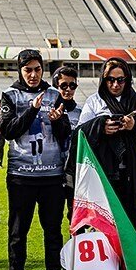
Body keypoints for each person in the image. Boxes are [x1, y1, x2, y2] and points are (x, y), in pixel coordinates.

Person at [0, 49, 71, 270]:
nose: (33, 74)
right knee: (19, 229)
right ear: (20, 70)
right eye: (28, 69)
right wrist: (31, 110)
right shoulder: (10, 94)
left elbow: (65, 133)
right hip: (21, 174)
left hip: (51, 174)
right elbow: (8, 131)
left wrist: (58, 121)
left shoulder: (54, 94)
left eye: (37, 69)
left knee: (52, 228)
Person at [75, 57, 136, 230]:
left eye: (120, 80)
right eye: (110, 79)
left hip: (131, 172)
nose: (115, 84)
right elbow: (80, 132)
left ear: (127, 80)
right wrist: (101, 126)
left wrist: (133, 126)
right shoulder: (95, 101)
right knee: (104, 223)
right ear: (103, 80)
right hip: (104, 171)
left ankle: (127, 249)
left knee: (129, 223)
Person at [51, 65, 81, 221]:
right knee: (53, 219)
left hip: (74, 172)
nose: (68, 89)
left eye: (72, 85)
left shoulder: (82, 112)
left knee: (76, 218)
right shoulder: (49, 112)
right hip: (52, 171)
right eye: (63, 85)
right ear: (56, 86)